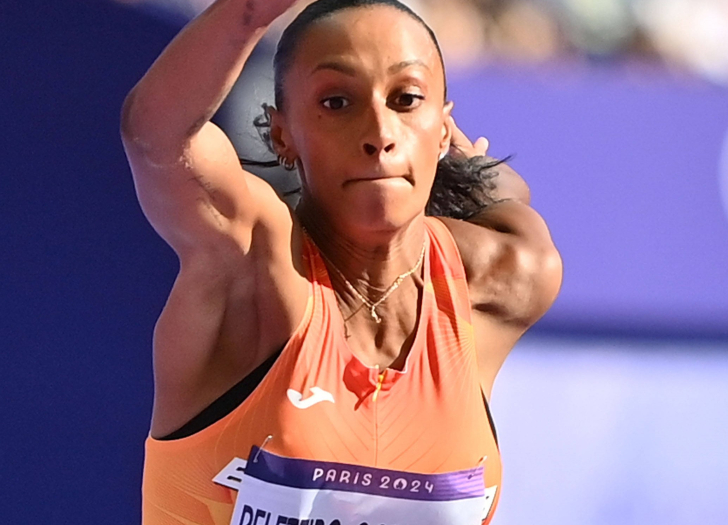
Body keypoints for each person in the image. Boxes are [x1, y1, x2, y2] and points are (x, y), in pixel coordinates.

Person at [120, 0, 562, 523]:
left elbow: (505, 194)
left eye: (407, 98)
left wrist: (465, 176)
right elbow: (158, 139)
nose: (379, 132)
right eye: (336, 102)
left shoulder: (501, 281)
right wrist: (248, 12)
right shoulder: (253, 269)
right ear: (282, 134)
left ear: (443, 130)